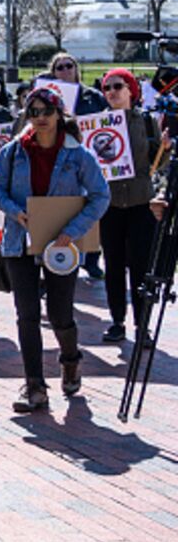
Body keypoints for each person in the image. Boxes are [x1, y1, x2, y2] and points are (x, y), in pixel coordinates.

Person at [0, 88, 109, 412]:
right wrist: (15, 211)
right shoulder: (13, 152)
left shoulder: (78, 155)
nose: (40, 118)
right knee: (26, 315)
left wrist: (72, 232)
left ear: (58, 114)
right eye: (33, 112)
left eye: (46, 111)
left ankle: (70, 359)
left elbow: (101, 196)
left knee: (59, 315)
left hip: (62, 246)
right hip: (20, 242)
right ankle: (34, 386)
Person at [97, 68, 166, 343]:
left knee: (140, 266)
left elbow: (155, 163)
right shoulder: (97, 124)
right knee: (113, 265)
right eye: (107, 88)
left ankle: (143, 325)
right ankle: (117, 321)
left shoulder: (147, 122)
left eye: (118, 86)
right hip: (111, 203)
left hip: (140, 202)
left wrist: (166, 148)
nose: (112, 92)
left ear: (131, 91)